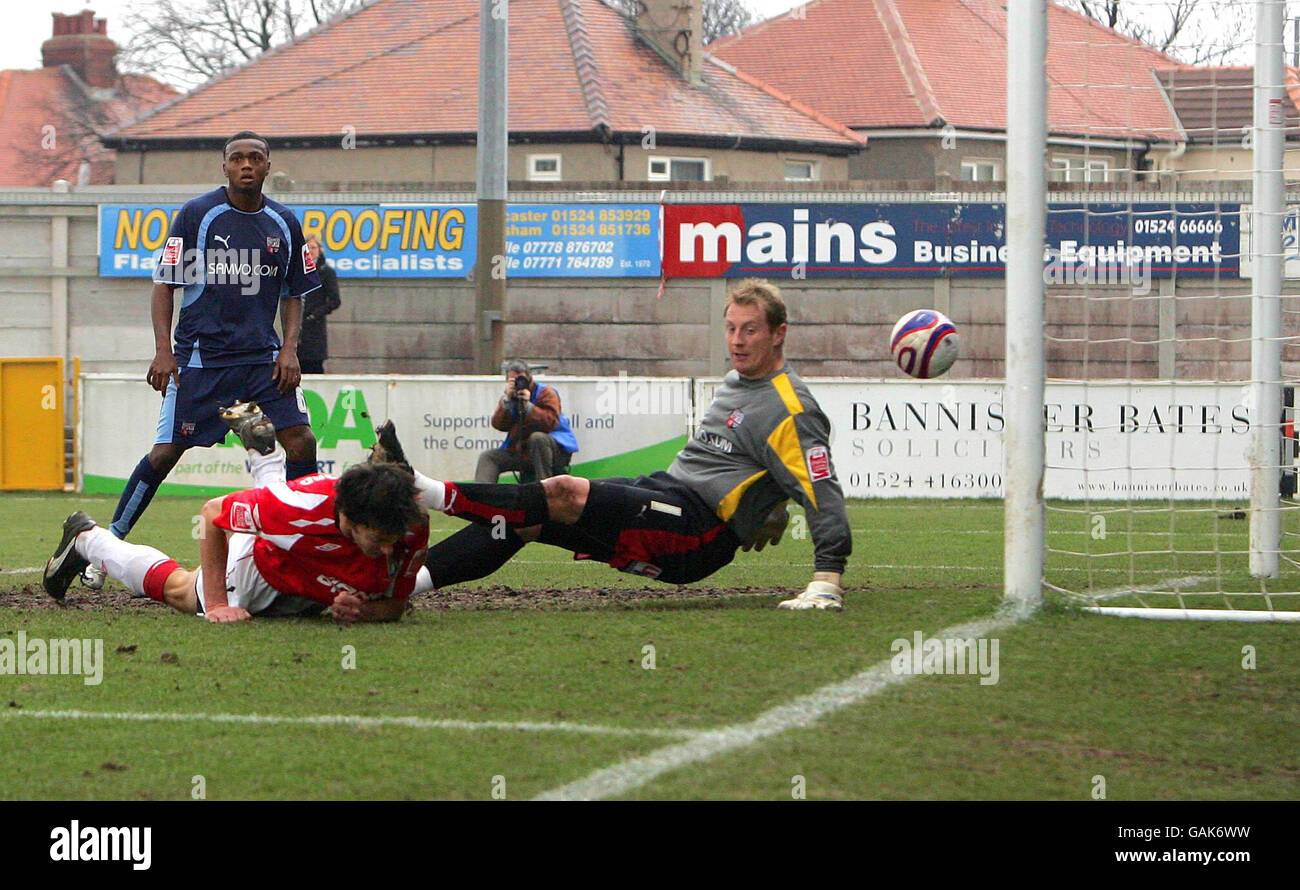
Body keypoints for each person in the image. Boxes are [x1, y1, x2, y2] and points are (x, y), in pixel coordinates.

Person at [403, 279, 852, 610]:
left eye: (750, 330)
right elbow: (747, 464)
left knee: (562, 490)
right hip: (667, 493)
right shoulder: (738, 381)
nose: (737, 341)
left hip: (696, 531)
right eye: (731, 328)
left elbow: (821, 488)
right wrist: (767, 507)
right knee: (529, 519)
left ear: (779, 333)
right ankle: (404, 585)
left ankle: (429, 492)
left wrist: (826, 578)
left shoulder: (791, 409)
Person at [83, 130, 322, 591]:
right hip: (200, 360)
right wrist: (163, 351)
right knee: (166, 453)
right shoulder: (198, 215)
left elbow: (296, 294)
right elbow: (164, 283)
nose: (246, 165)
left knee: (301, 441)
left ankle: (304, 545)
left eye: (256, 158)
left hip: (261, 361)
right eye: (238, 158)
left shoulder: (285, 222)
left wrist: (289, 349)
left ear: (268, 167)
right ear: (225, 167)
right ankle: (106, 547)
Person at [44, 404, 428, 624]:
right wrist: (216, 605)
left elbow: (393, 606)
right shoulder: (303, 509)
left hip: (304, 574)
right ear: (348, 520)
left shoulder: (409, 527)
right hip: (260, 569)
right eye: (377, 540)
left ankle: (266, 457)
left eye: (393, 540)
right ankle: (87, 538)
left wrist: (366, 611)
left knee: (273, 506)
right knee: (181, 592)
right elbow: (213, 514)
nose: (387, 550)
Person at [474, 359, 578, 483]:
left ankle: (544, 489)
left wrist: (528, 407)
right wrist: (506, 402)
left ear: (529, 378)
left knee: (537, 438)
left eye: (521, 379)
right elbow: (498, 425)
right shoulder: (511, 398)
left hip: (555, 451)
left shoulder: (546, 393)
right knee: (488, 457)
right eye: (514, 380)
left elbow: (550, 423)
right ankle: (483, 496)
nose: (519, 383)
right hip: (523, 452)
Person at [297, 235, 341, 374]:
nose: (310, 251)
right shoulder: (298, 271)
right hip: (297, 326)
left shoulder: (326, 272)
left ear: (320, 250)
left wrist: (315, 314)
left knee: (314, 365)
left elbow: (335, 300)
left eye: (314, 248)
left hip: (315, 328)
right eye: (307, 248)